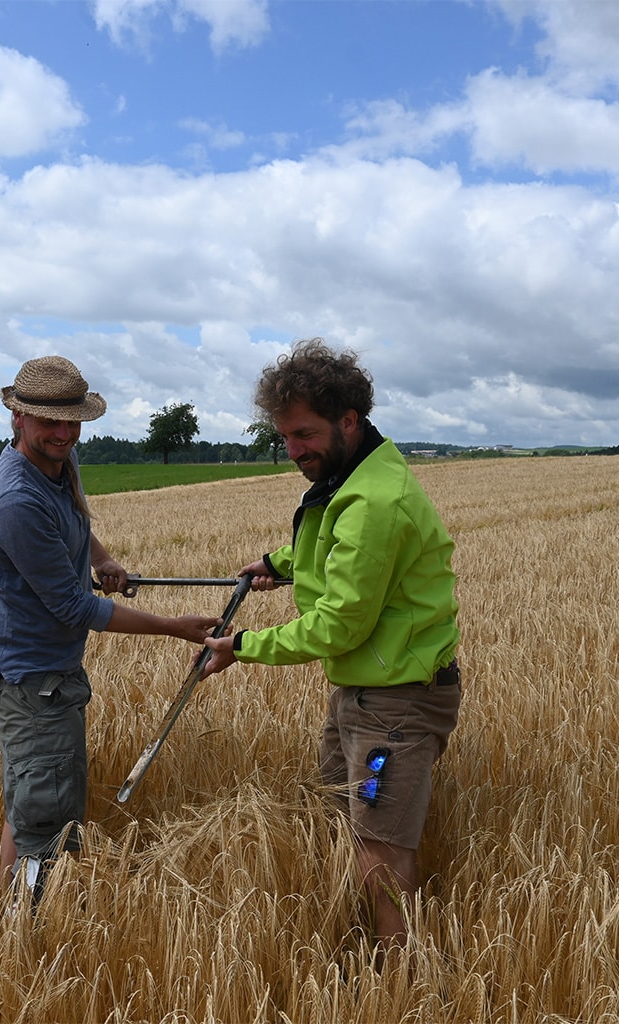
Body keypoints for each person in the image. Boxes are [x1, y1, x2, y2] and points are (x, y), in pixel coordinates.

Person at [201, 338, 461, 968]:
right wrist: (279, 564)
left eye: (304, 434)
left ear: (349, 419)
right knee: (336, 808)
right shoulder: (351, 475)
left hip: (394, 709)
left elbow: (341, 623)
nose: (293, 452)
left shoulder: (374, 500)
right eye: (285, 437)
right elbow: (336, 556)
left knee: (379, 848)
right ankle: (357, 952)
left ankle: (404, 986)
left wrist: (243, 646)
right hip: (365, 691)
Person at [0, 354, 220, 905]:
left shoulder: (56, 461)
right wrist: (174, 628)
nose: (63, 434)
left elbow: (76, 519)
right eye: (49, 422)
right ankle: (25, 938)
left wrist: (101, 559)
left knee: (30, 803)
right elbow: (75, 609)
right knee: (46, 818)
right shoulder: (16, 500)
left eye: (71, 421)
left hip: (42, 673)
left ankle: (2, 919)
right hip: (32, 678)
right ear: (18, 418)